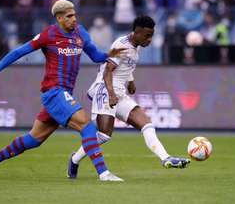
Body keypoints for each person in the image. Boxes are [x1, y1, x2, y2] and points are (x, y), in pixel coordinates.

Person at [0, 0, 126, 182]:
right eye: (69, 16)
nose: (74, 19)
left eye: (75, 15)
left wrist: (109, 55)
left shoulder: (81, 33)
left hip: (64, 94)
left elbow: (95, 56)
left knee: (34, 139)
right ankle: (103, 173)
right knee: (86, 125)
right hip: (53, 92)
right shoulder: (48, 35)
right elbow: (19, 52)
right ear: (59, 18)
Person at [67, 16, 191, 179]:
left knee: (146, 124)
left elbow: (126, 65)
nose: (150, 39)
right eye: (147, 35)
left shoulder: (135, 46)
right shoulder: (122, 46)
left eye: (151, 35)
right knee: (104, 135)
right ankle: (75, 159)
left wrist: (131, 81)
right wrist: (111, 95)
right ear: (137, 32)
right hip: (105, 90)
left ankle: (166, 158)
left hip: (119, 93)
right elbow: (107, 71)